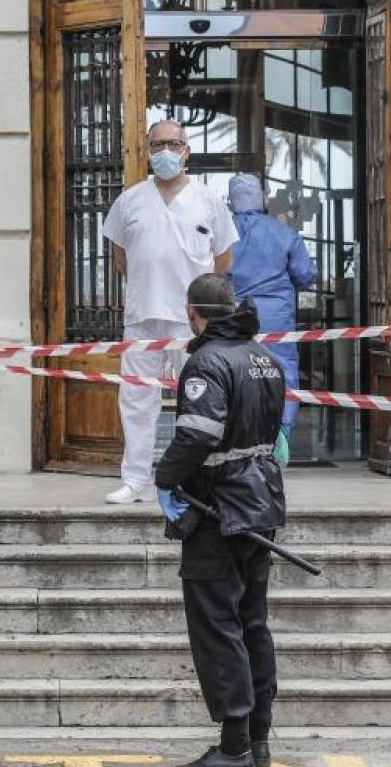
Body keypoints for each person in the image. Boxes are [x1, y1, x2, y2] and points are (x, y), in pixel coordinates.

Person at [155, 274, 287, 767]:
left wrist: (164, 480)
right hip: (261, 504)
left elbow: (197, 436)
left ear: (194, 311)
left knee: (217, 625)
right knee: (252, 622)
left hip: (221, 512)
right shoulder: (264, 358)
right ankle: (259, 742)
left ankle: (233, 748)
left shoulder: (206, 361)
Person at [102, 120, 240, 504]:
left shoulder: (209, 200)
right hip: (143, 314)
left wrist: (200, 304)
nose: (166, 151)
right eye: (158, 144)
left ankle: (198, 477)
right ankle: (135, 479)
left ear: (186, 150)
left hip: (191, 320)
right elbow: (120, 254)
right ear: (146, 150)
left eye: (174, 144)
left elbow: (223, 258)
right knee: (136, 398)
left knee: (198, 399)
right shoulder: (129, 200)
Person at [226, 173, 318, 466]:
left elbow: (210, 272)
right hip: (275, 315)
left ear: (231, 200)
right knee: (282, 372)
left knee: (233, 372)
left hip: (234, 312)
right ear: (262, 197)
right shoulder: (284, 233)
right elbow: (305, 275)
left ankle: (238, 439)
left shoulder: (222, 234)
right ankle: (280, 436)